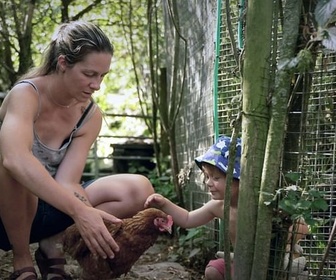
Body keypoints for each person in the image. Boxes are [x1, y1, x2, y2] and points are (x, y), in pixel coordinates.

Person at [0, 21, 154, 280]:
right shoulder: (25, 94)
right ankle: (22, 257)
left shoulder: (89, 115)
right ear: (63, 63)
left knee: (139, 189)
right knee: (18, 168)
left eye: (102, 76)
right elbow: (14, 160)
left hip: (49, 207)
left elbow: (67, 181)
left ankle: (53, 243)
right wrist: (81, 211)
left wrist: (86, 212)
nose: (97, 85)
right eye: (89, 74)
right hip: (6, 209)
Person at [145, 135, 241, 279]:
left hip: (258, 267)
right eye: (207, 176)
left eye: (216, 178)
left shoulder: (255, 208)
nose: (208, 183)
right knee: (213, 270)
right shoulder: (218, 206)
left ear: (238, 178)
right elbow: (187, 219)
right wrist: (164, 203)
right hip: (239, 263)